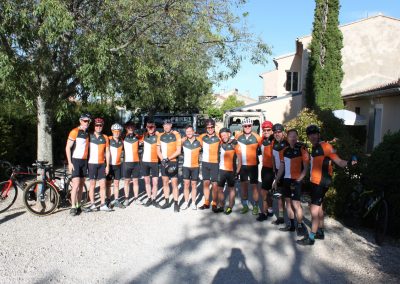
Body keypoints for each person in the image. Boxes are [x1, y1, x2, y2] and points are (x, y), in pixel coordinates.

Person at [297, 125, 355, 246]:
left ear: (319, 134)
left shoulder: (326, 147)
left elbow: (339, 161)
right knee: (320, 208)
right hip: (316, 182)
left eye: (314, 133)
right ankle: (321, 232)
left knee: (314, 210)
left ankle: (311, 238)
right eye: (310, 134)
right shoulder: (314, 147)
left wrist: (349, 162)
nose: (312, 136)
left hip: (320, 182)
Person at [275, 129, 309, 235]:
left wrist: (299, 180)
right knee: (288, 203)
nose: (293, 138)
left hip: (297, 180)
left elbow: (306, 168)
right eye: (290, 136)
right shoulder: (284, 151)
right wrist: (276, 180)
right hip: (286, 180)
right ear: (287, 138)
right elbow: (282, 166)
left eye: (294, 136)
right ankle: (291, 225)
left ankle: (300, 225)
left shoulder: (302, 149)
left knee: (296, 204)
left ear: (297, 137)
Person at [65, 113, 91, 216]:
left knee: (81, 185)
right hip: (75, 160)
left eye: (88, 121)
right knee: (75, 185)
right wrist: (70, 162)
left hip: (84, 161)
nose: (87, 123)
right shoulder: (74, 131)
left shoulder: (87, 133)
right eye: (85, 121)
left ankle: (78, 205)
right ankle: (72, 206)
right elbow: (67, 148)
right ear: (80, 121)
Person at [236, 118, 262, 215]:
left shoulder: (257, 137)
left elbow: (265, 147)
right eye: (245, 126)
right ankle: (245, 205)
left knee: (254, 187)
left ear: (252, 126)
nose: (247, 127)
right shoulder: (238, 136)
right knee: (243, 186)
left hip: (253, 166)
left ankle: (255, 206)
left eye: (249, 126)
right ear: (242, 126)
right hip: (242, 166)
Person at [85, 117, 111, 212]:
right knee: (92, 184)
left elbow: (107, 152)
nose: (98, 127)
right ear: (94, 126)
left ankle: (103, 204)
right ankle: (92, 204)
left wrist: (107, 165)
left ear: (103, 126)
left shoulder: (105, 137)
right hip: (91, 163)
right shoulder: (89, 136)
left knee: (103, 185)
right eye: (97, 125)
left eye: (100, 125)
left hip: (101, 164)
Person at [157, 119, 182, 212]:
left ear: (171, 125)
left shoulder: (176, 135)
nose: (166, 126)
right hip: (164, 162)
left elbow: (178, 151)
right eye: (164, 125)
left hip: (173, 161)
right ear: (163, 126)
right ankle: (167, 202)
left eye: (168, 125)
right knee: (165, 182)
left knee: (174, 183)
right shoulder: (160, 136)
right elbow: (158, 150)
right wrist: (162, 159)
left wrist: (167, 158)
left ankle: (176, 203)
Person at [217, 128, 241, 215]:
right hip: (221, 170)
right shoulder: (221, 143)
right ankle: (221, 205)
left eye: (225, 135)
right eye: (222, 135)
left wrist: (237, 171)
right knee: (219, 189)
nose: (223, 137)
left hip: (231, 171)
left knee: (231, 189)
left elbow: (239, 159)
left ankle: (230, 207)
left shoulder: (235, 143)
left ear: (229, 134)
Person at [198, 119, 220, 211]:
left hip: (215, 162)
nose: (210, 129)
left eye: (211, 127)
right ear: (206, 128)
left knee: (215, 184)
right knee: (206, 183)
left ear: (214, 127)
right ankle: (206, 202)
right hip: (205, 162)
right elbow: (193, 142)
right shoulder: (202, 137)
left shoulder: (219, 137)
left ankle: (214, 203)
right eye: (208, 127)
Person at [257, 120, 275, 221]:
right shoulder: (262, 140)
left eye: (268, 130)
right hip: (265, 168)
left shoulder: (275, 141)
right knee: (266, 192)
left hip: (274, 170)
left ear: (272, 130)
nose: (266, 131)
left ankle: (266, 212)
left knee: (266, 192)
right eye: (264, 130)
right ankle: (268, 210)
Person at [181, 125, 202, 210]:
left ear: (193, 132)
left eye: (190, 131)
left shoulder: (199, 141)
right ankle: (186, 202)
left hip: (195, 166)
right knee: (186, 184)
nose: (189, 133)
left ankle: (193, 202)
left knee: (194, 185)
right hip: (186, 166)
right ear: (185, 133)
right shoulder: (183, 141)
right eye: (187, 132)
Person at [271, 123, 288, 225]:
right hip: (277, 171)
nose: (277, 134)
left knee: (288, 198)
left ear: (283, 132)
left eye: (279, 132)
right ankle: (281, 218)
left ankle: (293, 221)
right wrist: (274, 170)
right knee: (279, 196)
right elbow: (273, 157)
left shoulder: (287, 143)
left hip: (287, 173)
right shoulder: (274, 143)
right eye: (275, 132)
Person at [141, 118, 160, 207]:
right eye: (149, 127)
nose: (150, 128)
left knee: (155, 182)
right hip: (145, 161)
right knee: (147, 181)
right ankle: (149, 198)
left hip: (154, 161)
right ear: (146, 127)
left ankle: (154, 199)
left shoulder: (158, 136)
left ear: (155, 127)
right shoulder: (143, 135)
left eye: (152, 127)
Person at [123, 120, 142, 206]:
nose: (130, 128)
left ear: (134, 128)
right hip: (127, 162)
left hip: (136, 162)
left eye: (132, 127)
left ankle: (136, 198)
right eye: (129, 127)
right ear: (126, 128)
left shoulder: (138, 137)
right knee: (126, 181)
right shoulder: (122, 137)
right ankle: (126, 198)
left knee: (135, 181)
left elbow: (148, 136)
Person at [107, 123, 125, 209]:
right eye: (115, 131)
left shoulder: (122, 141)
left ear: (120, 132)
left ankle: (117, 200)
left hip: (118, 165)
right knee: (108, 183)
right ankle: (108, 200)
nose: (116, 133)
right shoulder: (108, 139)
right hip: (109, 165)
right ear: (112, 131)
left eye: (118, 131)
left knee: (117, 183)